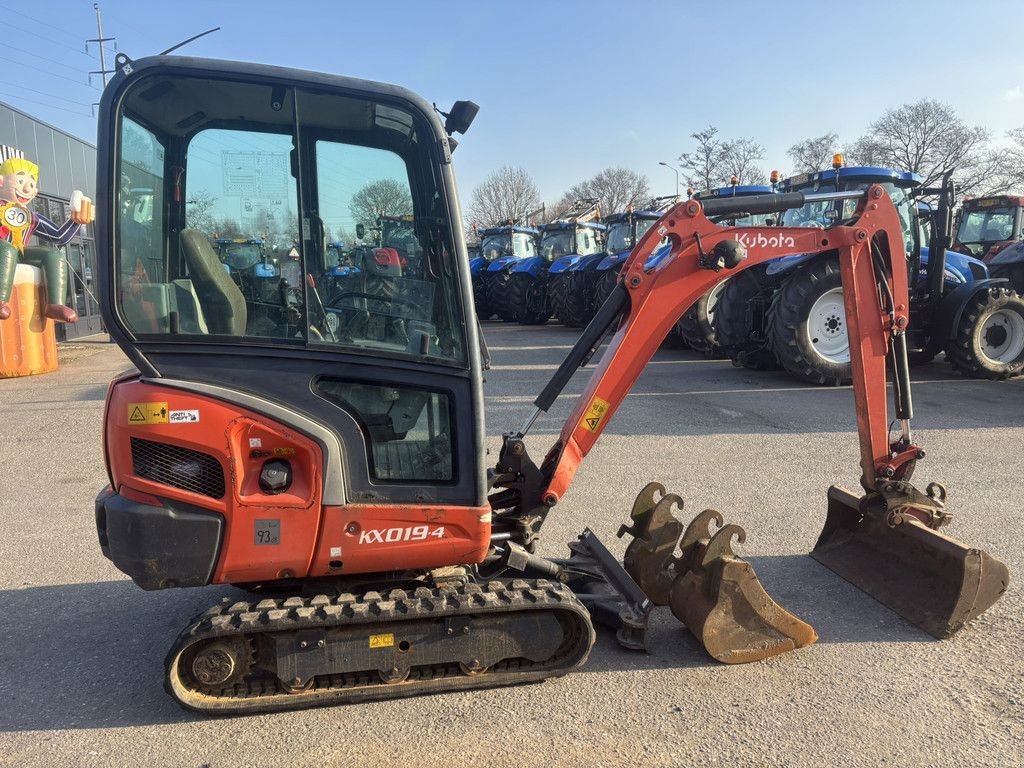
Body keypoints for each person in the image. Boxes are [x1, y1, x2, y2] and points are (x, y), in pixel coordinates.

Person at [0, 157, 94, 322]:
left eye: (32, 183)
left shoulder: (31, 217)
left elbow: (58, 237)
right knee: (6, 248)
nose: (28, 187)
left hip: (18, 252)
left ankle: (54, 304)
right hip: (4, 250)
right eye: (20, 180)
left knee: (53, 254)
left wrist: (76, 221)